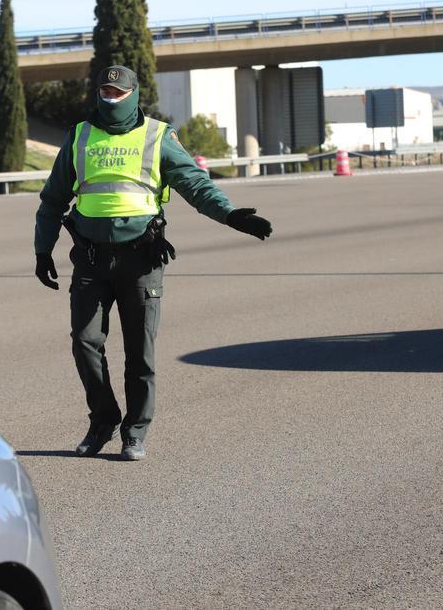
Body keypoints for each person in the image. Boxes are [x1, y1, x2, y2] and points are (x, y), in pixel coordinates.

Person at [34, 65, 273, 461]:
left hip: (141, 260)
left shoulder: (157, 136)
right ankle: (103, 421)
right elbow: (53, 198)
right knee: (84, 343)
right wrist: (43, 250)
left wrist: (230, 215)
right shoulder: (79, 135)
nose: (110, 98)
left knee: (139, 353)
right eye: (104, 91)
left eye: (117, 92)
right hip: (91, 260)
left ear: (133, 94)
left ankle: (135, 431)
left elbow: (194, 184)